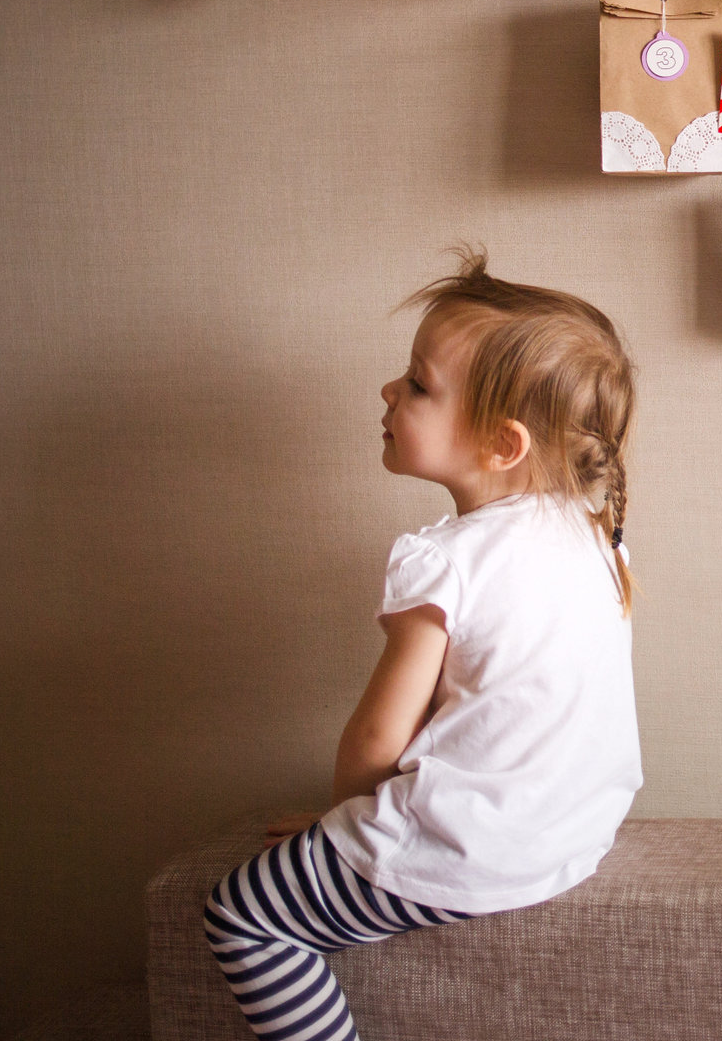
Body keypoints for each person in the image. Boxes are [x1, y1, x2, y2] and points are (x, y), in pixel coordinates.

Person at [203, 251, 641, 1041]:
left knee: (239, 915)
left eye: (417, 384)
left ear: (501, 444)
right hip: (573, 833)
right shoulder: (592, 539)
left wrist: (342, 826)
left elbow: (378, 737)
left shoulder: (446, 562)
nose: (388, 391)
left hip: (470, 847)